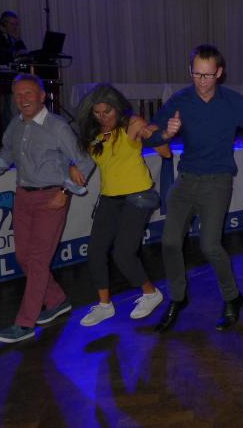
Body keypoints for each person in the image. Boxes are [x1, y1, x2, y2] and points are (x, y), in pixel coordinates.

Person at [143, 44, 243, 333]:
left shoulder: (232, 102)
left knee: (210, 245)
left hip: (217, 181)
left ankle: (232, 297)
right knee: (170, 242)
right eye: (196, 74)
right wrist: (166, 133)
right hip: (186, 179)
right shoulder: (181, 100)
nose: (202, 81)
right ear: (190, 71)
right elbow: (149, 136)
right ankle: (178, 298)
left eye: (208, 75)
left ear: (219, 73)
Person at [0, 73, 94, 343]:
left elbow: (85, 161)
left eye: (28, 93)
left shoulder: (57, 127)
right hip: (23, 197)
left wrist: (66, 191)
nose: (23, 99)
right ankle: (57, 300)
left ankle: (25, 323)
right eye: (18, 95)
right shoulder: (15, 125)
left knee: (38, 260)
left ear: (42, 96)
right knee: (24, 258)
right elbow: (7, 152)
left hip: (51, 198)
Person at [71, 84, 181, 326]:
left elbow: (165, 154)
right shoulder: (95, 132)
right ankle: (104, 305)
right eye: (97, 113)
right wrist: (72, 168)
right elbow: (90, 161)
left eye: (107, 112)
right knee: (95, 251)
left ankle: (150, 293)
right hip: (109, 197)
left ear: (118, 108)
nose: (102, 117)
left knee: (123, 252)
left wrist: (154, 134)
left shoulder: (132, 123)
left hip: (138, 196)